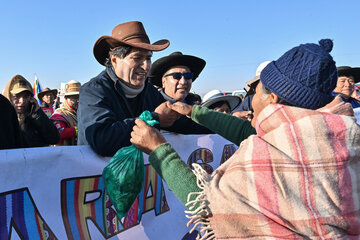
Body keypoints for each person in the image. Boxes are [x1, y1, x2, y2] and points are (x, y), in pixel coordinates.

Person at [130, 39, 360, 239]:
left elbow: (209, 208)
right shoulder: (338, 133)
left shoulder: (268, 155)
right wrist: (194, 112)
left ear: (272, 98)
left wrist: (159, 150)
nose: (252, 100)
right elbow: (246, 132)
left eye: (256, 91)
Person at [78, 21, 211, 157]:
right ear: (114, 59)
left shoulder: (149, 92)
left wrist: (223, 123)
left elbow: (180, 123)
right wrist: (154, 118)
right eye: (137, 58)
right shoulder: (93, 91)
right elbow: (103, 139)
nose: (146, 66)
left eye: (148, 58)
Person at [4, 75, 60, 147]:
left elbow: (54, 138)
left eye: (26, 96)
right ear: (9, 97)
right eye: (17, 96)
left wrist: (37, 114)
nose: (22, 101)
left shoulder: (35, 117)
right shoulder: (4, 120)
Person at [50, 80, 81, 145]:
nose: (78, 101)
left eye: (79, 97)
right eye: (74, 98)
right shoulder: (59, 114)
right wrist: (78, 129)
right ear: (66, 98)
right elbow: (59, 132)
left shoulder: (79, 113)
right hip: (63, 153)